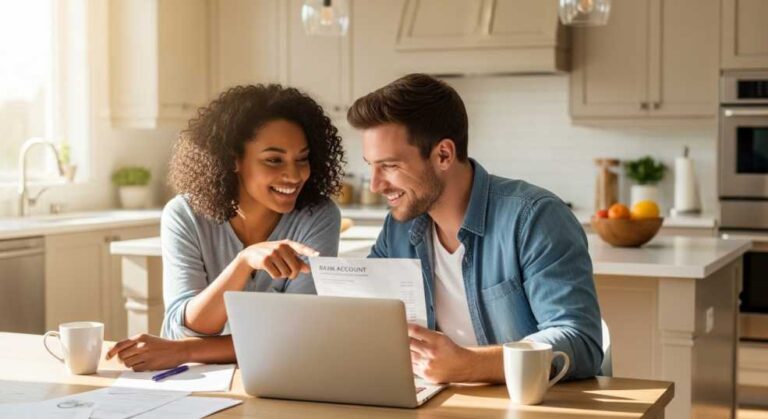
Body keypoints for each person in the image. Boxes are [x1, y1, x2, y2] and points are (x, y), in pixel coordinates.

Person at [347, 74, 603, 384]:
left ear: (443, 154)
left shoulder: (534, 218)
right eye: (371, 165)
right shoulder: (399, 228)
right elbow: (368, 316)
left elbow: (580, 341)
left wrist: (469, 365)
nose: (375, 184)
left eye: (389, 166)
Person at [106, 84, 345, 371]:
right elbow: (187, 326)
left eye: (302, 159)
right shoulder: (184, 215)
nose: (294, 175)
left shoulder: (318, 216)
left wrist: (183, 352)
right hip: (199, 380)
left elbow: (296, 335)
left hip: (281, 373)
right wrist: (244, 262)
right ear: (233, 159)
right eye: (273, 160)